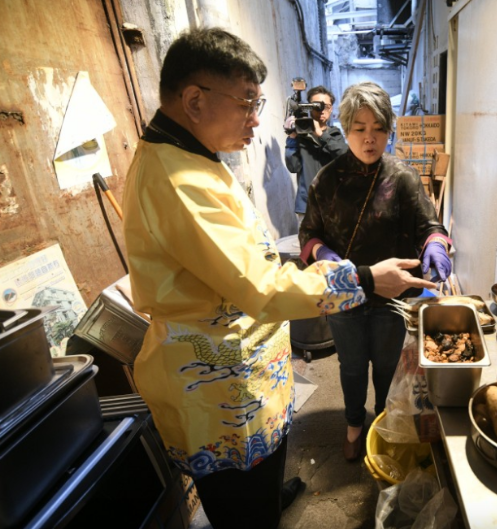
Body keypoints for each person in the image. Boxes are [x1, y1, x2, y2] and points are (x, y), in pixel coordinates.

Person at [121, 29, 434, 529]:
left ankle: (266, 497)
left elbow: (426, 223)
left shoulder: (195, 159)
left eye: (258, 101)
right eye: (247, 101)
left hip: (249, 366)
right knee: (241, 500)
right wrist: (363, 279)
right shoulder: (178, 181)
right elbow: (265, 284)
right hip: (219, 384)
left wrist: (434, 243)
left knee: (264, 474)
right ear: (195, 100)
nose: (257, 117)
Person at [299, 81, 453, 462]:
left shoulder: (403, 177)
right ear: (346, 128)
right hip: (346, 297)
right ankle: (354, 424)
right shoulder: (328, 181)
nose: (370, 139)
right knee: (351, 367)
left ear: (389, 130)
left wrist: (435, 243)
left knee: (387, 367)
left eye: (378, 129)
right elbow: (308, 235)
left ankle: (384, 424)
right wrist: (325, 253)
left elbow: (430, 225)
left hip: (392, 299)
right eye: (360, 129)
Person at [284, 85, 347, 223]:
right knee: (308, 245)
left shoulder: (335, 135)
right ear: (309, 107)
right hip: (306, 207)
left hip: (333, 206)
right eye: (317, 105)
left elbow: (346, 158)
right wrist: (292, 138)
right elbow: (293, 167)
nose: (322, 110)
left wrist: (320, 134)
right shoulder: (301, 136)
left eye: (327, 106)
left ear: (331, 109)